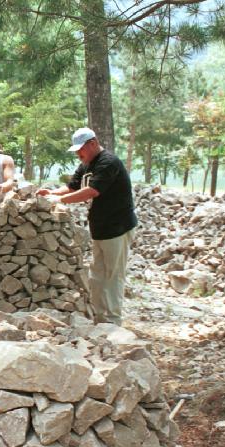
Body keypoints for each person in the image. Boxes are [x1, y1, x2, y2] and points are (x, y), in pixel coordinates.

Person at [37, 127, 137, 326]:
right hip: (100, 229)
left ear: (93, 143)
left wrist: (61, 200)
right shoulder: (87, 164)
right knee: (98, 276)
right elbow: (73, 186)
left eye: (80, 149)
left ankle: (113, 320)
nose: (78, 154)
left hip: (117, 228)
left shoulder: (108, 162)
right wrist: (53, 193)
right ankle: (101, 318)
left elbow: (91, 191)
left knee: (113, 275)